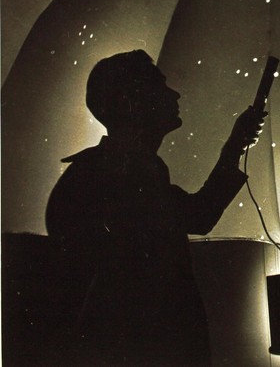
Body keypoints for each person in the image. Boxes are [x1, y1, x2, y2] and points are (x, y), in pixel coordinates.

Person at [45, 50, 266, 366]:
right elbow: (199, 216)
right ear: (130, 102)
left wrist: (235, 146)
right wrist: (233, 146)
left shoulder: (113, 169)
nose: (174, 94)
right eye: (159, 86)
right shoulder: (126, 172)